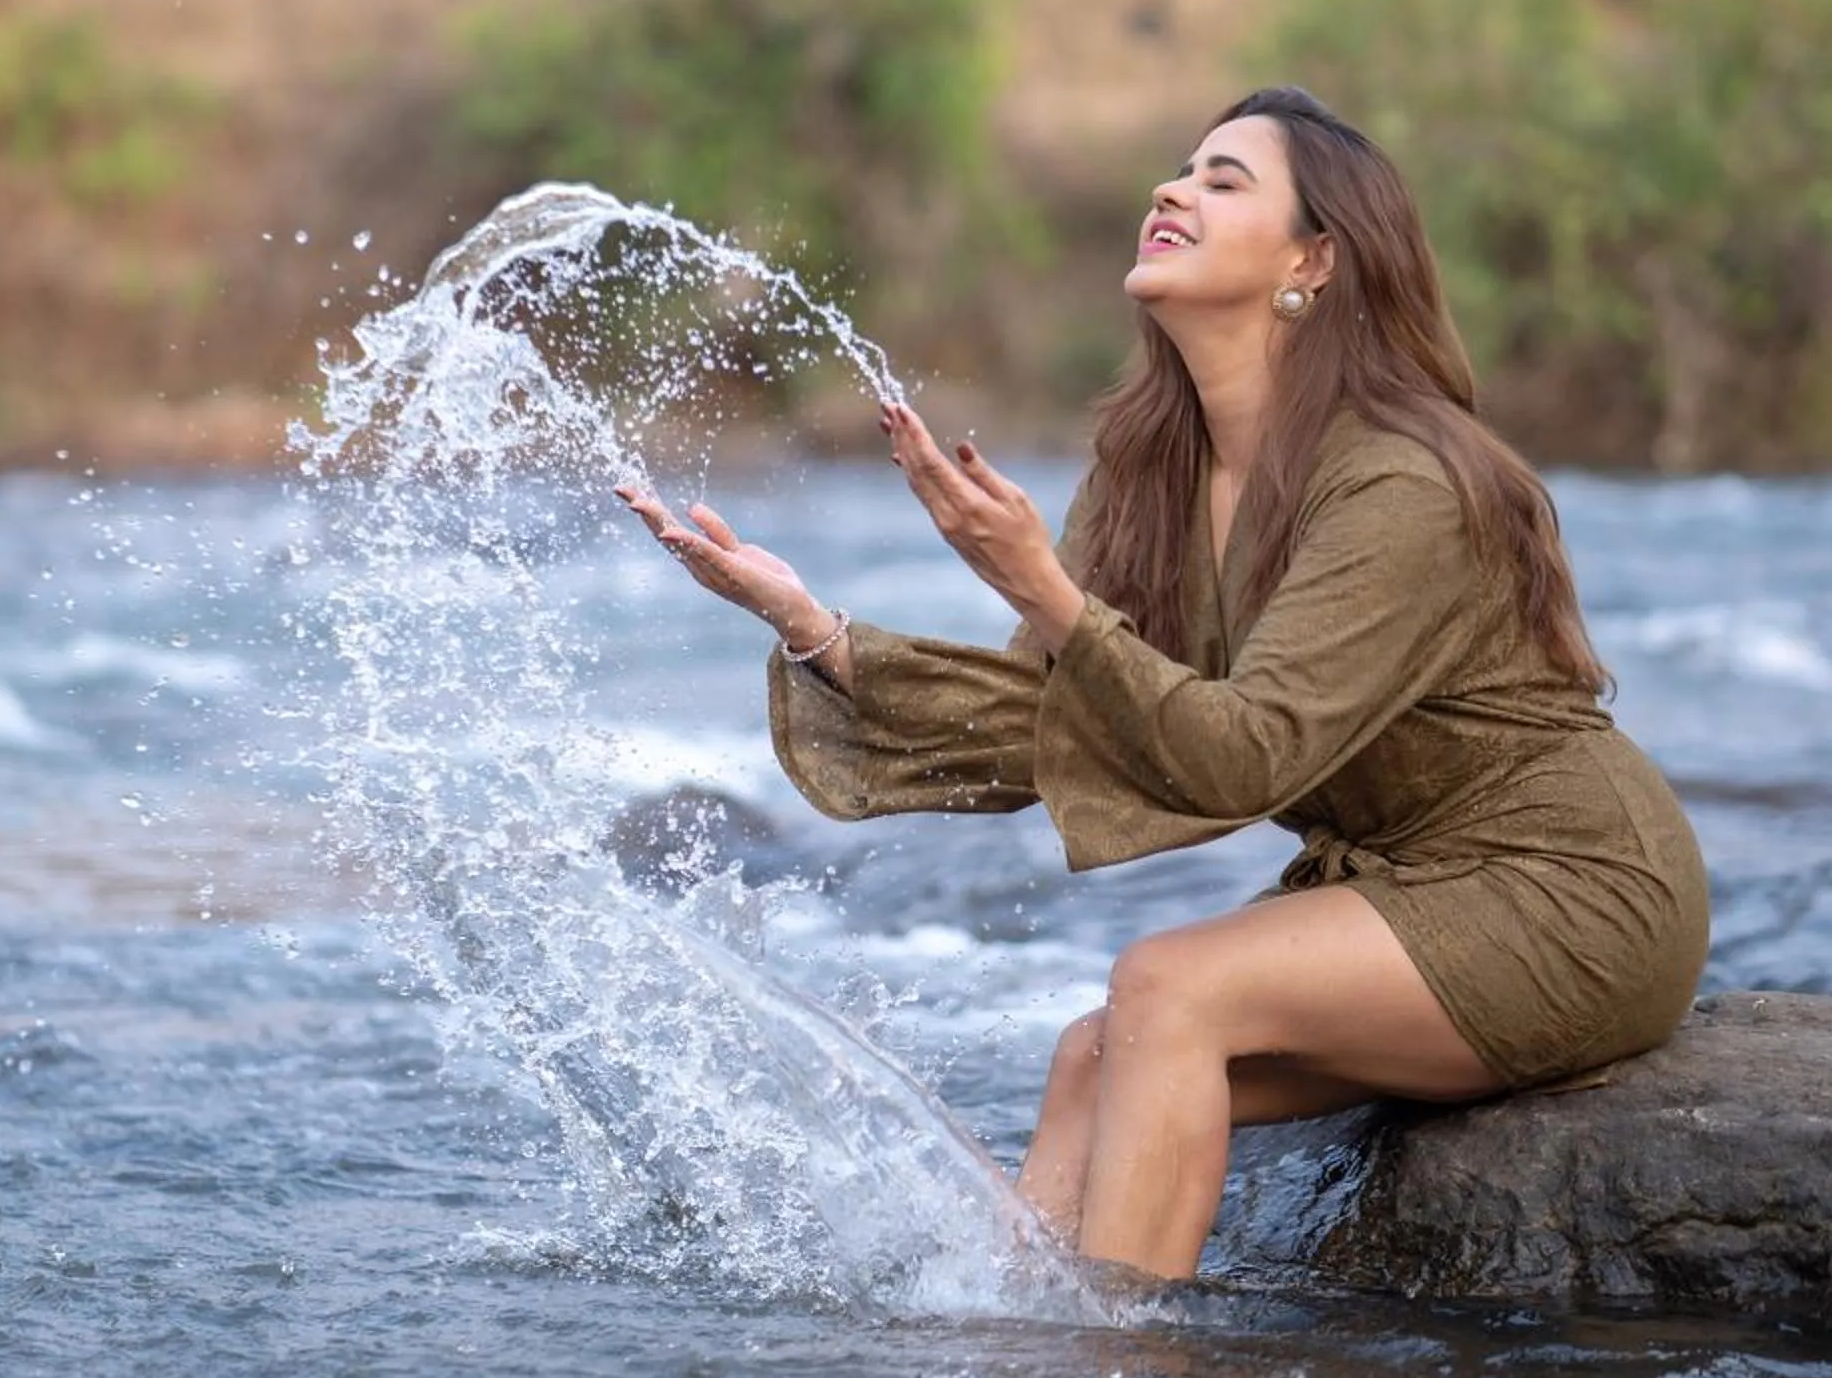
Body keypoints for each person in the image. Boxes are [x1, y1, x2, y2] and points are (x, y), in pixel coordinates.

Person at [615, 86, 1709, 1283]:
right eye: (1179, 169)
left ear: (1315, 258)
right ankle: (1020, 1345)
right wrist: (814, 625)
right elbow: (1042, 729)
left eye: (1223, 178)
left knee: (1167, 983)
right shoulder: (1147, 472)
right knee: (1098, 1051)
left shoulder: (1405, 481)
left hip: (1570, 886)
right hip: (1409, 888)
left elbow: (1249, 754)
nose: (1170, 190)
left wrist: (1046, 589)